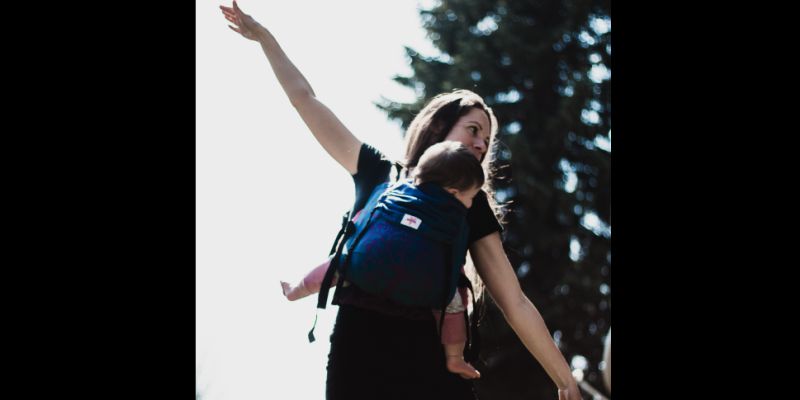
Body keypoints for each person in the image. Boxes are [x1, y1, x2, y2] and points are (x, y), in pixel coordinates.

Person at [219, 2, 582, 399]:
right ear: (440, 125)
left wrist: (564, 379)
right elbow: (305, 99)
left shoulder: (468, 203)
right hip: (363, 346)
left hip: (418, 350)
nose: (481, 144)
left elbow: (513, 300)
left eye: (486, 140)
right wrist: (265, 38)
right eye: (473, 129)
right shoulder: (379, 171)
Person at [281, 141, 484, 379]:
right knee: (452, 306)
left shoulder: (398, 189)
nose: (470, 203)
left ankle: (297, 289)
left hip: (366, 266)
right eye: (470, 197)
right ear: (453, 193)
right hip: (424, 289)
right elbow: (454, 265)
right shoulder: (458, 220)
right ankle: (455, 359)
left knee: (339, 262)